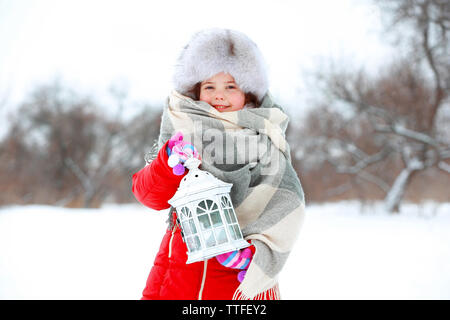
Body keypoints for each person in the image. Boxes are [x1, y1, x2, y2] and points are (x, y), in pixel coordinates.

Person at [132, 28, 305, 300]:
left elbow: (288, 205)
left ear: (247, 93)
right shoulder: (182, 129)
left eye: (230, 86)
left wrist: (254, 255)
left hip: (239, 283)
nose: (219, 95)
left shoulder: (265, 138)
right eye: (209, 86)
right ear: (197, 90)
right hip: (178, 276)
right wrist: (166, 163)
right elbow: (148, 196)